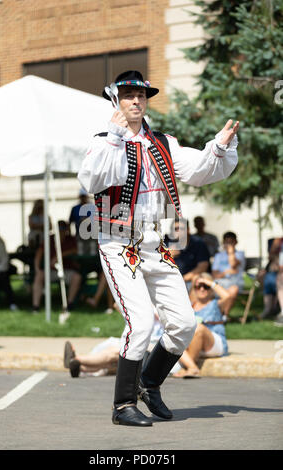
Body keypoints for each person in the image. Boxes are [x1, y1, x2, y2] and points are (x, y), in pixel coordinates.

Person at [78, 69, 239, 427]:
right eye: (129, 95)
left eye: (142, 95)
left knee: (183, 323)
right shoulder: (104, 140)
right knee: (139, 322)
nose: (136, 100)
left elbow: (198, 171)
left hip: (156, 244)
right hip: (120, 245)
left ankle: (149, 385)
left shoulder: (162, 142)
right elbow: (92, 178)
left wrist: (220, 146)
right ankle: (122, 406)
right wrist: (116, 137)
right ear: (116, 100)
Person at [171, 273, 229, 378]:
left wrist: (210, 282)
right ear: (194, 288)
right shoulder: (190, 306)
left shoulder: (216, 304)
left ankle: (189, 367)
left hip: (214, 343)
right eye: (198, 286)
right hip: (195, 343)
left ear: (210, 288)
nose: (202, 289)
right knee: (173, 338)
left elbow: (228, 296)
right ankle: (192, 367)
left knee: (198, 328)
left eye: (205, 287)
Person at [32, 221, 82, 312]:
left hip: (66, 270)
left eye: (63, 229)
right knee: (39, 276)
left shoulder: (70, 239)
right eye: (59, 229)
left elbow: (76, 250)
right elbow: (39, 253)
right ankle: (36, 307)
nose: (61, 231)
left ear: (66, 230)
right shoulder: (49, 239)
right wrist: (37, 268)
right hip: (50, 271)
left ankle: (69, 305)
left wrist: (60, 255)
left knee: (77, 277)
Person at [167, 219, 210, 291]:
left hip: (191, 281)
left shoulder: (198, 243)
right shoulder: (167, 245)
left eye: (181, 229)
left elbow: (203, 266)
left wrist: (182, 280)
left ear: (188, 230)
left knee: (195, 278)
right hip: (172, 281)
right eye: (175, 229)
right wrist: (169, 256)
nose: (178, 231)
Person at [212, 231, 245, 318]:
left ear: (236, 242)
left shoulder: (240, 254)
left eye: (231, 242)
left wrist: (231, 252)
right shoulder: (218, 256)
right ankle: (213, 313)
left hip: (235, 282)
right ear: (223, 243)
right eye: (226, 242)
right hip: (220, 282)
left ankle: (223, 316)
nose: (228, 245)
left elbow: (233, 264)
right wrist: (225, 272)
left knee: (233, 290)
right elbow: (214, 275)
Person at [259, 237, 283, 321]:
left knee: (276, 280)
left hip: (279, 273)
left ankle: (273, 308)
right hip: (274, 272)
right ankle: (269, 308)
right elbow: (270, 256)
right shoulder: (278, 241)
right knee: (268, 279)